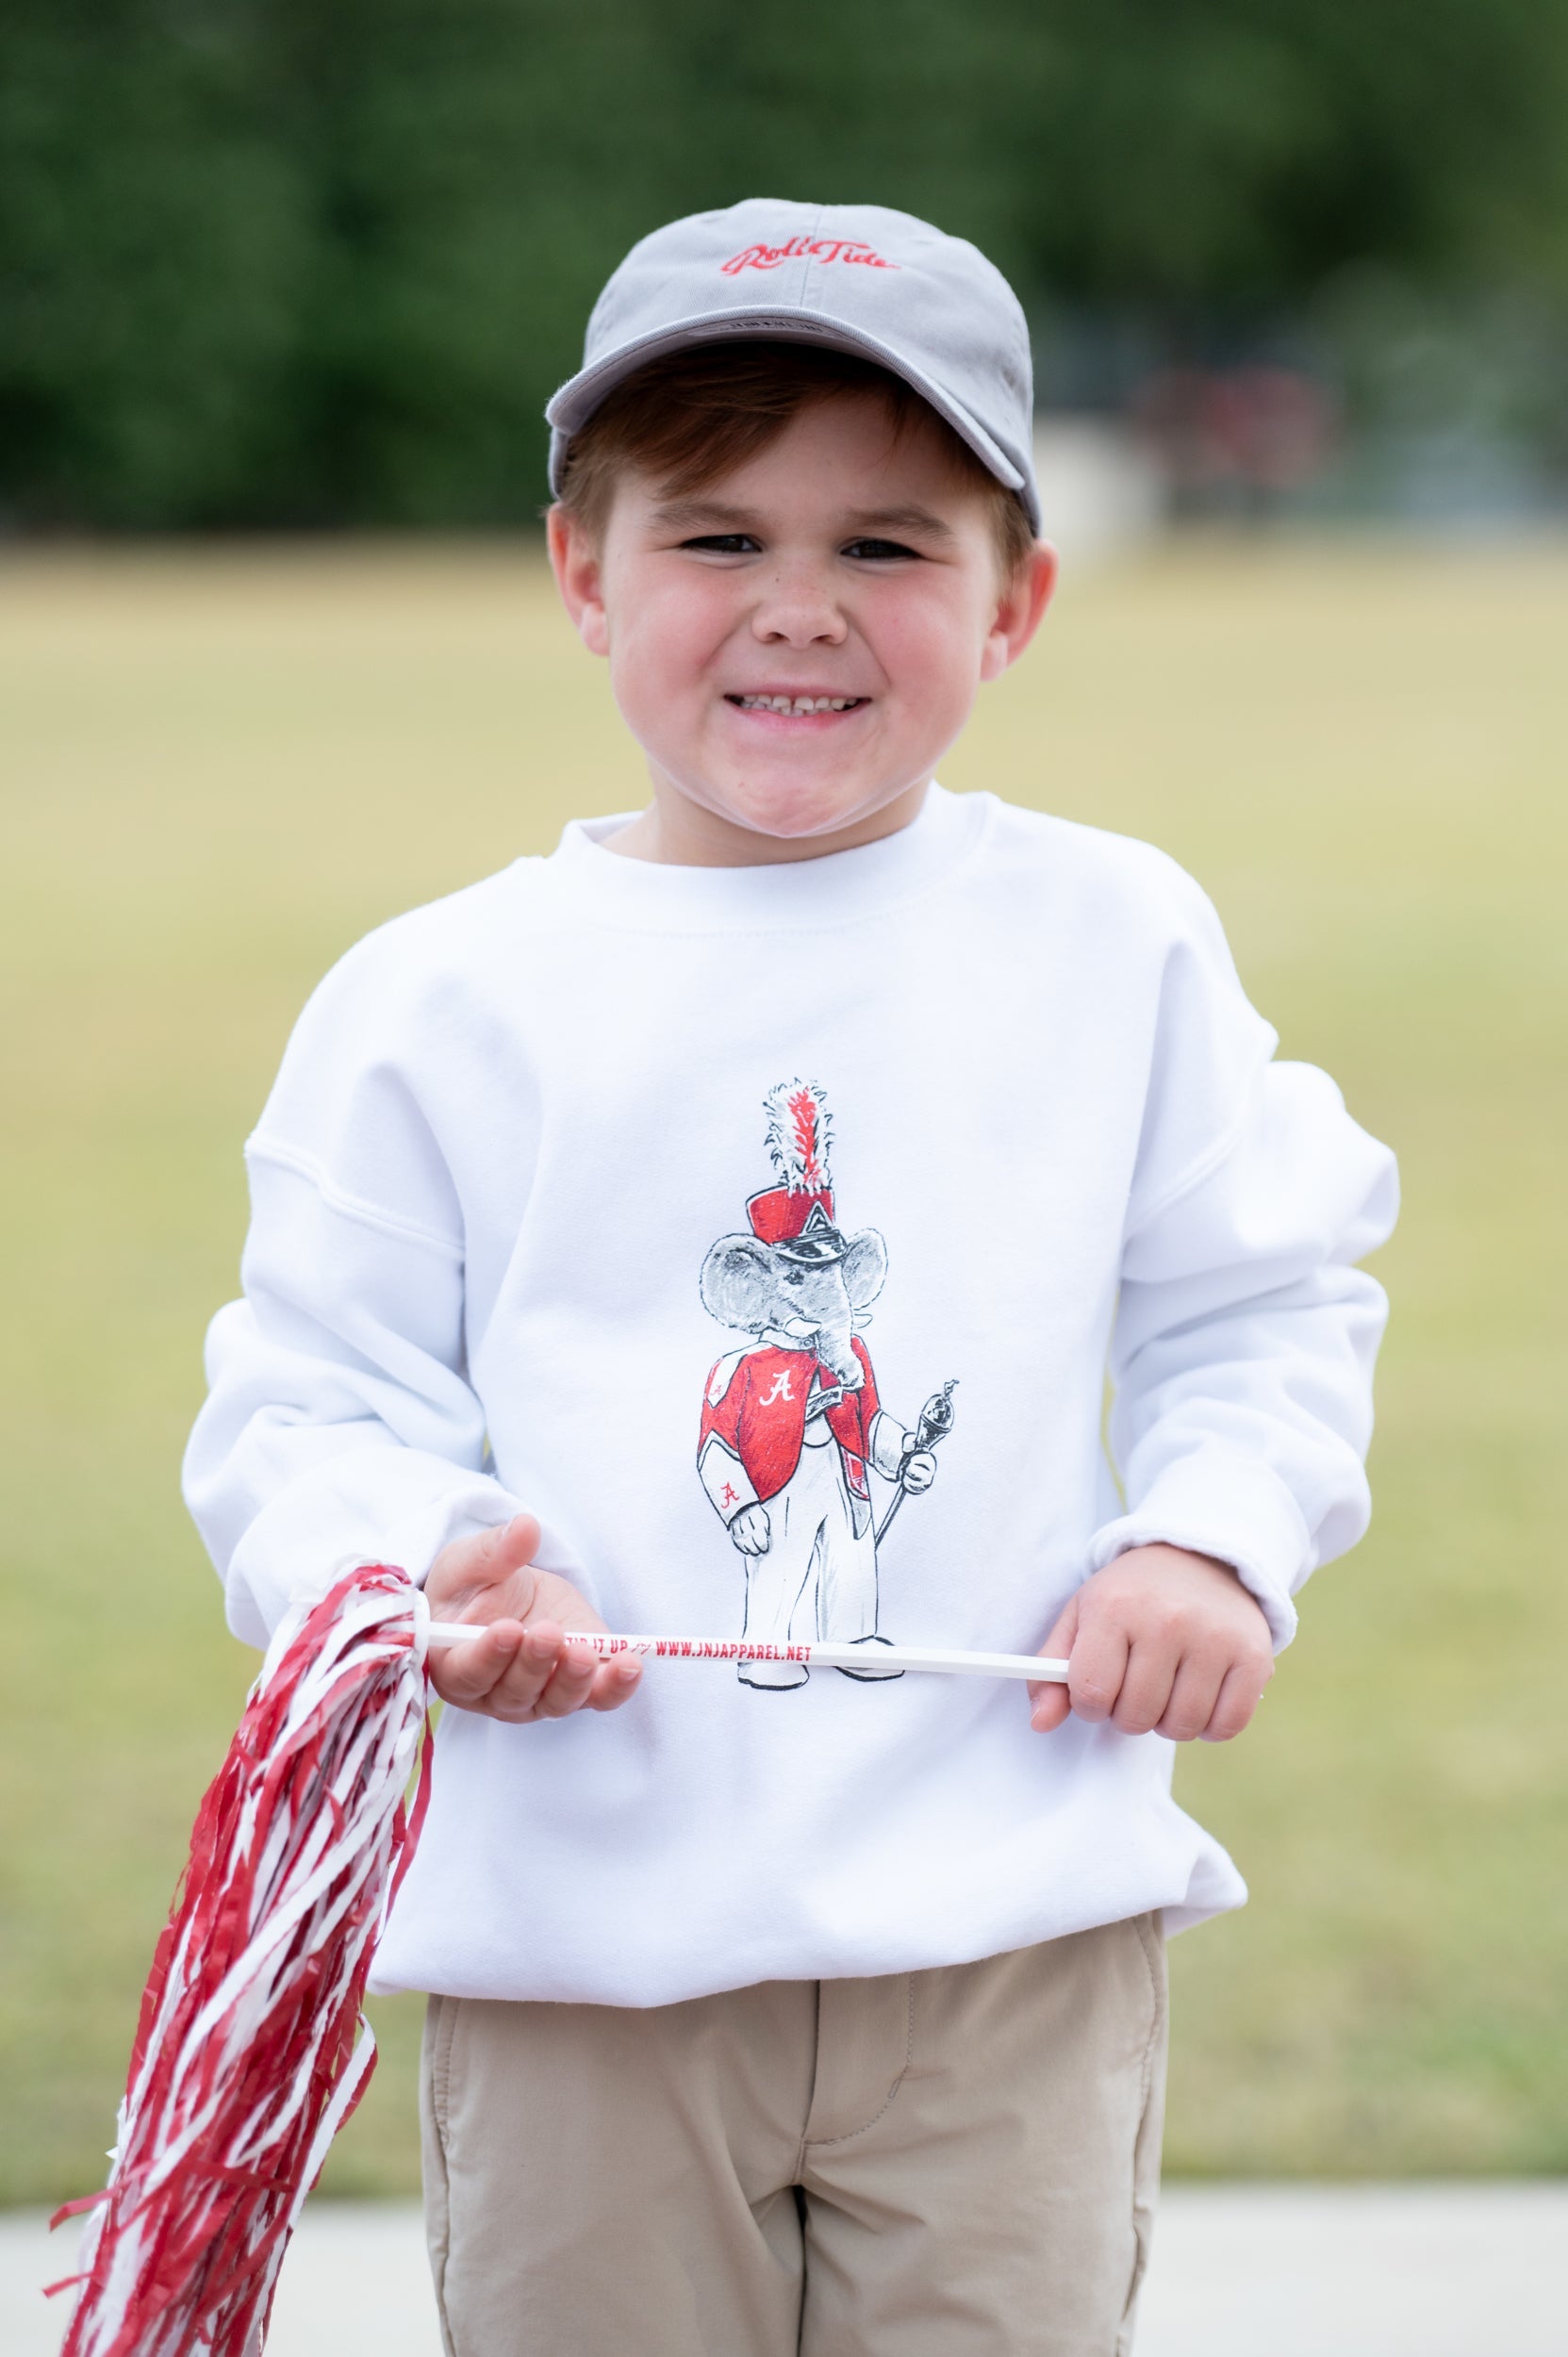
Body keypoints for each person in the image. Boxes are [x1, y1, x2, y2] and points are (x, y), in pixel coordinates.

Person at [183, 199, 1397, 2355]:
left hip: (1003, 1941)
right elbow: (305, 1397)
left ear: (1016, 597)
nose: (800, 613)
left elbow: (1263, 1291)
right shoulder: (445, 998)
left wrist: (1210, 1537)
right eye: (719, 538)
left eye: (889, 546)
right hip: (586, 1959)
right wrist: (442, 1564)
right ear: (584, 569)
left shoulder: (1110, 943)